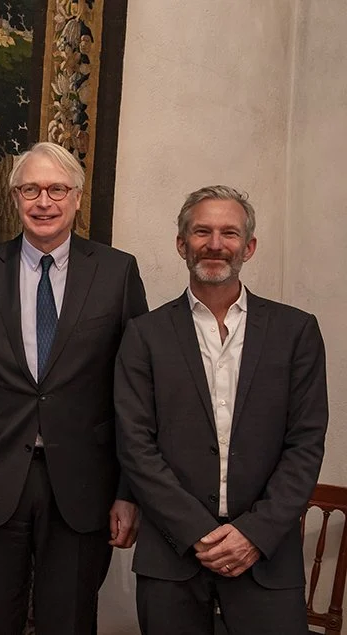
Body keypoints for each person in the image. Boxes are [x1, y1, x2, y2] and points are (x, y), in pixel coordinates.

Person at [114, 185, 328, 634]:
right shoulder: (144, 335)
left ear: (248, 246)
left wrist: (254, 534)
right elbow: (135, 444)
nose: (215, 244)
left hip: (266, 556)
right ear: (181, 244)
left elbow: (305, 444)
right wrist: (196, 532)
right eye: (201, 232)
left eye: (229, 233)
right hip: (172, 555)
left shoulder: (296, 332)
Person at [0, 141, 148, 634]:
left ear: (78, 198)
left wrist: (129, 492)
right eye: (31, 189)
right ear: (15, 197)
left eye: (57, 189)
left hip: (84, 485)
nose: (44, 201)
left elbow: (136, 392)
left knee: (69, 622)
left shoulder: (116, 271)